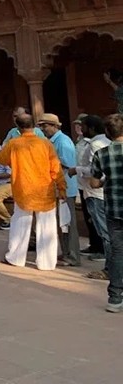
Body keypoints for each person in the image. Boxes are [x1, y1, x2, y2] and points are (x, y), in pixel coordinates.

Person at [0, 113, 65, 271]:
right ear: (34, 125)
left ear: (17, 127)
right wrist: (62, 187)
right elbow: (56, 168)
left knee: (20, 224)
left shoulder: (14, 143)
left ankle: (15, 258)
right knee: (47, 226)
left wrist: (13, 160)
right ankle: (47, 263)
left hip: (23, 189)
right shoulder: (45, 143)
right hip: (44, 190)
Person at [90, 114, 123, 312]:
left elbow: (94, 182)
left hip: (114, 209)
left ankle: (115, 297)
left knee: (117, 252)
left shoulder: (101, 154)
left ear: (108, 133)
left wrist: (106, 180)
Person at [37, 113, 80, 267]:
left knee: (69, 223)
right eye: (41, 126)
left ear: (54, 126)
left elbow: (68, 165)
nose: (43, 129)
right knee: (62, 223)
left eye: (45, 126)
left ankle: (73, 256)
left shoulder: (63, 142)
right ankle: (66, 252)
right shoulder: (51, 141)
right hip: (56, 188)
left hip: (66, 188)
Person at [78, 115, 112, 281]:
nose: (81, 129)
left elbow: (95, 171)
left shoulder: (96, 144)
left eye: (83, 126)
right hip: (101, 193)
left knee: (106, 233)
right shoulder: (104, 142)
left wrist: (77, 169)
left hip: (96, 194)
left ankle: (110, 269)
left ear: (91, 128)